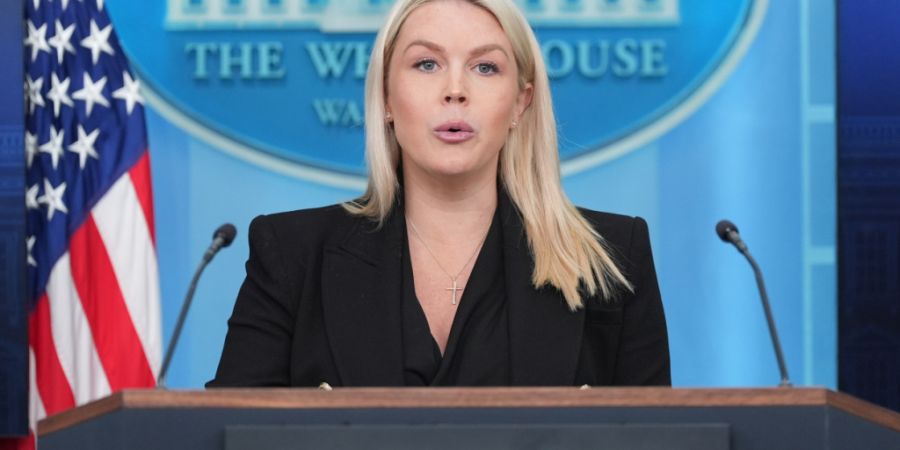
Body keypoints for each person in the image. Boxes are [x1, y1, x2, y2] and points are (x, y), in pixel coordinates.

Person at [208, 0, 670, 387]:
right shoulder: (292, 254)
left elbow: (658, 438)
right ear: (386, 98)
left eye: (485, 67)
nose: (455, 90)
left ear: (520, 103)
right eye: (426, 64)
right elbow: (225, 432)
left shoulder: (611, 257)